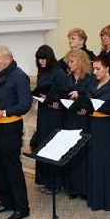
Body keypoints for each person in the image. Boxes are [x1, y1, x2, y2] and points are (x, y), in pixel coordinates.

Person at [0, 45, 32, 219]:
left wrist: (3, 112)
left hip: (10, 127)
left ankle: (22, 207)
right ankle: (6, 201)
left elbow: (25, 104)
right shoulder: (2, 75)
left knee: (12, 168)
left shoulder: (19, 76)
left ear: (8, 58)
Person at [86, 54, 110, 211]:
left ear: (107, 69)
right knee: (96, 161)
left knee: (109, 162)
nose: (94, 72)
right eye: (93, 68)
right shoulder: (92, 84)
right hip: (94, 125)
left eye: (98, 69)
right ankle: (97, 199)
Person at [32, 45, 68, 195]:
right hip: (44, 111)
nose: (41, 62)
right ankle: (46, 180)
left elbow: (64, 92)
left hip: (54, 112)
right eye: (39, 59)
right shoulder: (42, 73)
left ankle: (56, 182)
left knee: (53, 143)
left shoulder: (59, 73)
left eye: (43, 58)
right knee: (43, 142)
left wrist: (56, 101)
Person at [62, 49, 97, 200]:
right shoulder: (68, 79)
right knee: (71, 151)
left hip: (83, 118)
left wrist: (80, 96)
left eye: (72, 61)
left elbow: (92, 97)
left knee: (82, 151)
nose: (69, 65)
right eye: (68, 62)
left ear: (81, 62)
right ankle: (73, 188)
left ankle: (84, 188)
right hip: (70, 117)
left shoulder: (89, 79)